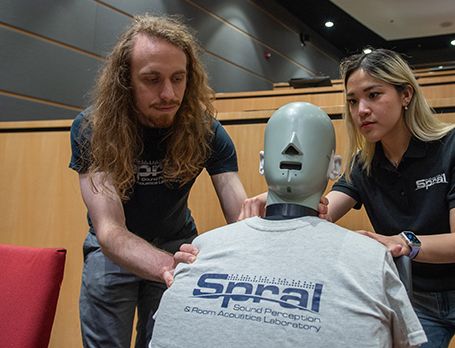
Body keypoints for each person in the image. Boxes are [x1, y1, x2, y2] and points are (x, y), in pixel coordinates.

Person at [241, 50, 455, 348]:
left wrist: (399, 242)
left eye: (373, 95)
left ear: (406, 95)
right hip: (416, 297)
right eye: (352, 100)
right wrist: (278, 197)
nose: (361, 109)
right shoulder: (363, 164)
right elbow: (323, 211)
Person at [150, 102, 427, 348]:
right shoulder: (199, 251)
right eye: (282, 139)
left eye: (308, 141)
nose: (291, 147)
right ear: (261, 162)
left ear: (335, 168)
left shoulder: (371, 260)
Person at [69, 13, 247, 348]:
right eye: (152, 79)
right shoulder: (92, 129)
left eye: (178, 79)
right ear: (126, 80)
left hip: (176, 244)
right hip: (112, 253)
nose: (169, 93)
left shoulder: (205, 130)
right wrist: (169, 268)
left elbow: (239, 215)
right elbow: (109, 230)